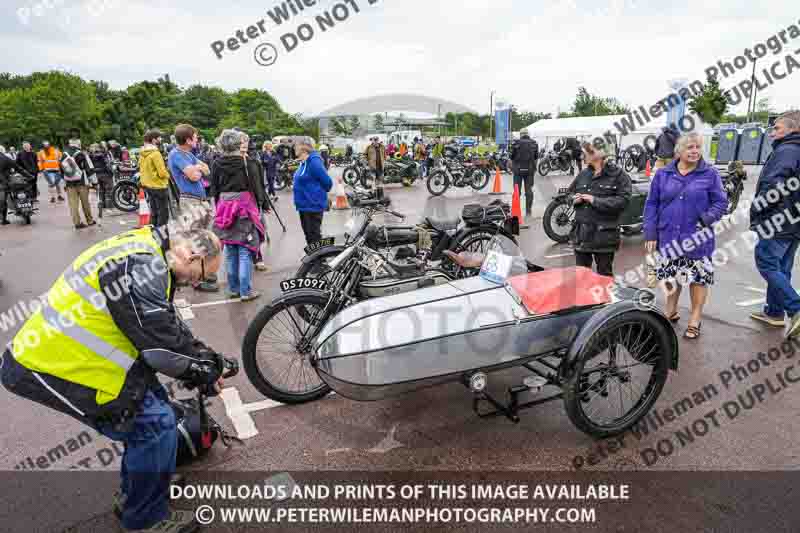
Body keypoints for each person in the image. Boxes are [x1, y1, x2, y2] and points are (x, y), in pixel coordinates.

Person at [2, 226, 230, 533]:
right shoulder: (145, 267)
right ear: (192, 255)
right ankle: (144, 519)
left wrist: (205, 359)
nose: (199, 282)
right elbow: (161, 350)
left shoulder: (150, 251)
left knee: (156, 413)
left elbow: (164, 322)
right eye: (204, 274)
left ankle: (139, 489)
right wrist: (205, 371)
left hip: (82, 354)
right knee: (154, 426)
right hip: (51, 364)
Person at [643, 132, 728, 339]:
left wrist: (705, 219)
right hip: (668, 236)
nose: (695, 151)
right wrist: (650, 232)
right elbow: (652, 203)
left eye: (698, 147)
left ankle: (695, 318)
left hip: (697, 238)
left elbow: (721, 202)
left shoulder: (710, 174)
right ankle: (670, 311)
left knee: (698, 279)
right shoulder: (663, 174)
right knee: (670, 275)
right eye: (690, 147)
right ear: (678, 150)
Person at [748, 111, 800, 336]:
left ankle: (796, 308)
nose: (772, 132)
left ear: (792, 130)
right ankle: (775, 312)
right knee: (782, 268)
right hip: (794, 221)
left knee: (767, 263)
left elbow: (773, 185)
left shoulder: (787, 150)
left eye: (777, 128)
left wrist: (758, 209)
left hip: (778, 220)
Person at [211, 130, 267, 301]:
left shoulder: (216, 163)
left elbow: (214, 189)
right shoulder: (247, 163)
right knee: (244, 250)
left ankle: (233, 288)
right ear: (238, 144)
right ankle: (245, 291)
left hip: (224, 207)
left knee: (229, 248)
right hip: (244, 208)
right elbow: (257, 188)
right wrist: (262, 204)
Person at [568, 142, 632, 277]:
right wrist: (573, 199)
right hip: (581, 236)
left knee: (604, 278)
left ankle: (605, 299)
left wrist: (595, 200)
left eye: (585, 153)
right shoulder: (583, 174)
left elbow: (623, 201)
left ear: (596, 155)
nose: (582, 156)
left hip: (604, 237)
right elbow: (569, 194)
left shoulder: (619, 175)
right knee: (581, 277)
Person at [168, 124, 217, 292]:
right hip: (190, 201)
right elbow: (194, 175)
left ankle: (203, 273)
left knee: (203, 239)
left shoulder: (188, 155)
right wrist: (197, 170)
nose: (197, 139)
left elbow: (206, 169)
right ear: (188, 139)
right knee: (193, 241)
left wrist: (196, 169)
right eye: (195, 137)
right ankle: (195, 280)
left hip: (200, 200)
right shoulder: (176, 155)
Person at [294, 137, 333, 246]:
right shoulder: (304, 161)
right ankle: (314, 259)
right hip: (304, 206)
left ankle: (319, 260)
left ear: (303, 147)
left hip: (313, 205)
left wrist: (316, 195)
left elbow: (328, 182)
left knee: (314, 236)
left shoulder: (314, 161)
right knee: (309, 236)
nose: (294, 147)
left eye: (296, 145)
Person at [140, 129, 172, 230]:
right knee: (163, 214)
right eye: (159, 137)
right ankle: (162, 239)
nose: (161, 139)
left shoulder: (142, 153)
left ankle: (153, 234)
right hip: (159, 186)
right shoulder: (155, 153)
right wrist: (168, 175)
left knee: (154, 212)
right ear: (153, 140)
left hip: (148, 186)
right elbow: (162, 173)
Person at [62, 139, 96, 229]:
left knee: (73, 204)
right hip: (82, 182)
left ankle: (77, 223)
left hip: (69, 183)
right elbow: (90, 169)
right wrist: (94, 182)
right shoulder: (82, 154)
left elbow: (62, 170)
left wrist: (65, 182)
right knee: (85, 203)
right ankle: (89, 220)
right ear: (78, 145)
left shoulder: (64, 155)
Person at [0, 148, 36, 225]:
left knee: (2, 201)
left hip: (3, 184)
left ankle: (3, 220)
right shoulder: (5, 158)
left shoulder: (4, 158)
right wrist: (29, 176)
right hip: (6, 182)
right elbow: (18, 168)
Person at [510, 128, 539, 217]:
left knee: (516, 191)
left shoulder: (516, 143)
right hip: (530, 170)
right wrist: (534, 168)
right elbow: (536, 157)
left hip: (518, 170)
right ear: (528, 134)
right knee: (529, 191)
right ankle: (528, 211)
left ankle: (515, 211)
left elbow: (512, 156)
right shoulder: (534, 143)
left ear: (521, 134)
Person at [89, 143, 114, 211]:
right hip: (105, 174)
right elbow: (107, 164)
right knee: (109, 190)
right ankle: (109, 205)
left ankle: (101, 205)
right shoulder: (103, 154)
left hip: (96, 174)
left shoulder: (90, 155)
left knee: (100, 190)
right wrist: (111, 172)